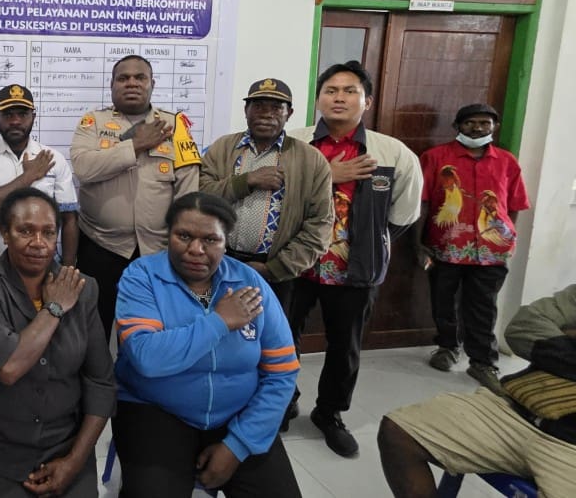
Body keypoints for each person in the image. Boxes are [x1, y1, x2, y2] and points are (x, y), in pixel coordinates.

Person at [113, 192, 301, 498]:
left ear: (226, 242)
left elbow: (282, 371)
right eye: (184, 236)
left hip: (238, 414)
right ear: (168, 235)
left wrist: (237, 446)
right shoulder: (142, 276)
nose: (195, 250)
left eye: (210, 239)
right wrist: (220, 322)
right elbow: (147, 358)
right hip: (155, 409)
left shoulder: (250, 283)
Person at [286, 61, 422, 458]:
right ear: (318, 99)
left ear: (367, 101)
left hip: (354, 270)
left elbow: (403, 214)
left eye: (350, 91)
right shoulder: (294, 144)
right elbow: (275, 195)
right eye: (331, 90)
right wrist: (327, 174)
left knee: (345, 347)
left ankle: (329, 413)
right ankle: (283, 402)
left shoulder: (392, 153)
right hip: (294, 263)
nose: (339, 98)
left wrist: (364, 244)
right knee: (281, 339)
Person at [0, 187, 115, 497]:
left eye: (48, 232)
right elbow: (9, 367)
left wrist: (75, 461)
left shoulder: (83, 288)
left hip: (65, 444)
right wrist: (54, 308)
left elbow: (101, 382)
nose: (39, 243)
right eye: (25, 231)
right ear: (5, 233)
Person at [201, 77, 334, 430]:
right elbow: (200, 196)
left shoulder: (310, 160)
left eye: (276, 106)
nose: (266, 112)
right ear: (246, 110)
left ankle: (278, 408)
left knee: (276, 342)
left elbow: (320, 225)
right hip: (221, 266)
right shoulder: (223, 148)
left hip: (277, 271)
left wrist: (273, 269)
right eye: (258, 105)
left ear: (289, 113)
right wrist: (247, 181)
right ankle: (225, 404)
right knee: (223, 337)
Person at [378, 284, 576, 498]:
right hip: (518, 411)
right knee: (399, 433)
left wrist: (564, 341)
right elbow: (523, 327)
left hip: (570, 448)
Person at [71, 55, 201, 336]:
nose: (132, 83)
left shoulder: (174, 125)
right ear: (112, 85)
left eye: (140, 77)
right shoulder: (93, 122)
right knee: (94, 329)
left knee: (150, 329)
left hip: (157, 251)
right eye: (123, 78)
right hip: (100, 245)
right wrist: (135, 145)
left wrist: (182, 244)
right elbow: (83, 168)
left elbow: (188, 190)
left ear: (152, 84)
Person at [416, 103, 530, 391]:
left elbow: (513, 205)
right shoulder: (435, 158)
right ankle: (447, 347)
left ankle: (483, 361)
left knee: (483, 306)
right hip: (446, 245)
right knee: (444, 300)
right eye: (470, 123)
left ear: (495, 127)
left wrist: (507, 236)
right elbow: (423, 202)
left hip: (491, 251)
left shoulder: (507, 162)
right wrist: (420, 243)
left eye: (484, 123)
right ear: (457, 126)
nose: (477, 128)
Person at [0, 84, 79, 266]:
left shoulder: (52, 158)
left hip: (43, 266)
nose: (15, 121)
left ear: (33, 117)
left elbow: (69, 219)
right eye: (8, 115)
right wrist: (29, 176)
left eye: (22, 114)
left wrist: (68, 267)